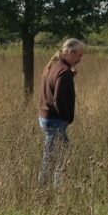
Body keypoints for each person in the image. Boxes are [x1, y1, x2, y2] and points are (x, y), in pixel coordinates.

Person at [37, 38, 85, 187]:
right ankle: (49, 190)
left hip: (45, 117)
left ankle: (48, 188)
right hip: (55, 120)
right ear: (70, 52)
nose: (80, 59)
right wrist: (67, 117)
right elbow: (58, 98)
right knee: (56, 158)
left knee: (54, 155)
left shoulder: (53, 66)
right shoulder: (64, 71)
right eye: (79, 55)